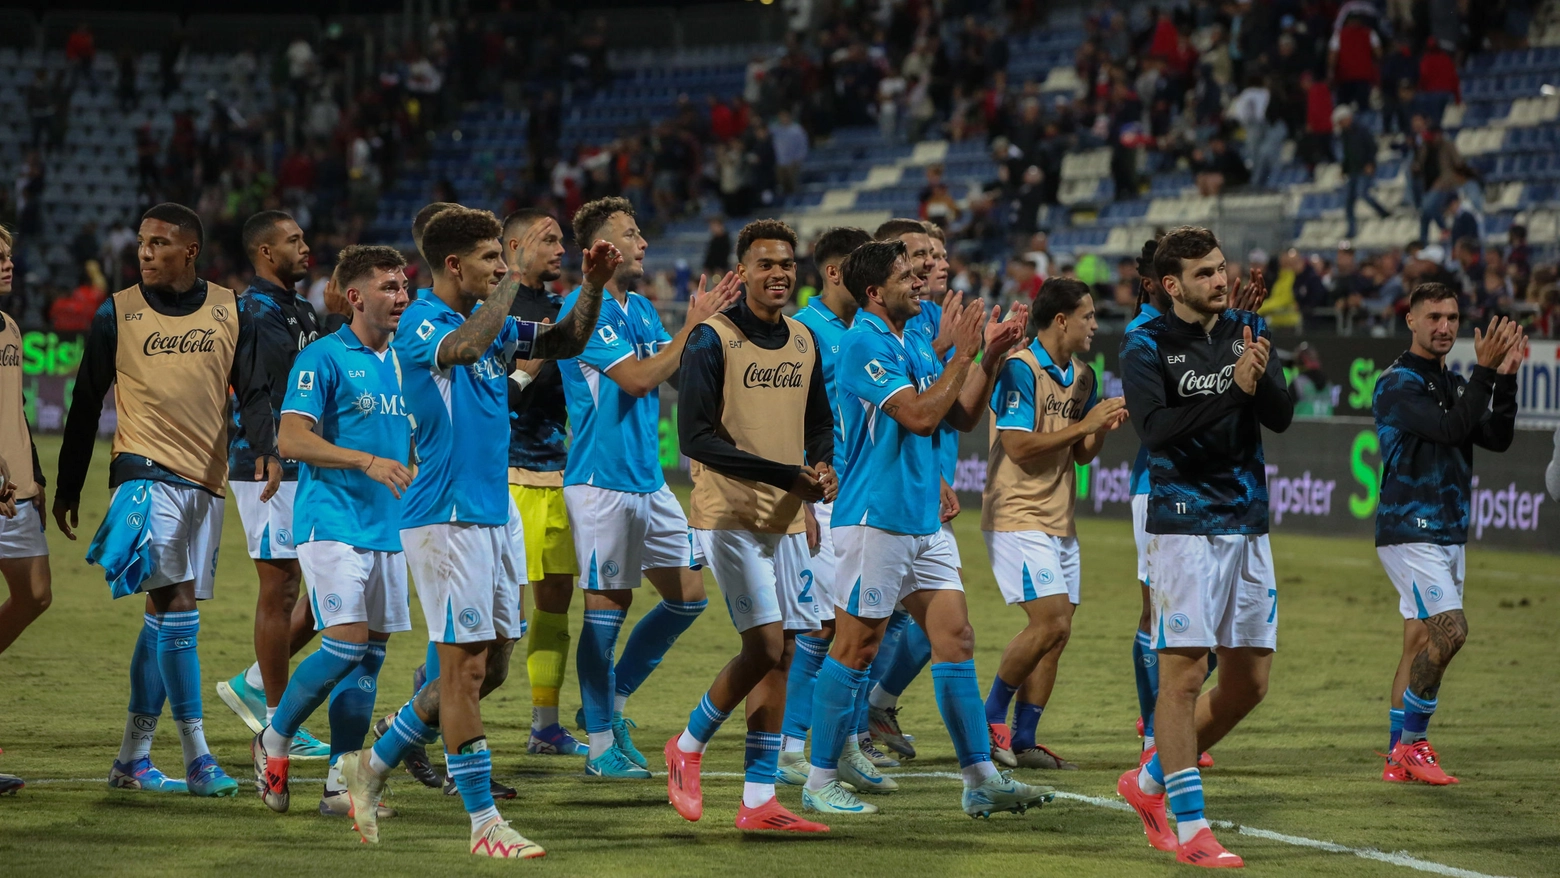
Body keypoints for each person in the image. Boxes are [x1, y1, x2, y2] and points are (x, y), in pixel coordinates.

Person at [340, 206, 614, 859]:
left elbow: (563, 342)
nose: (503, 266)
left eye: (504, 257)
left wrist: (595, 284)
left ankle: (374, 763)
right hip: (445, 518)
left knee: (491, 666)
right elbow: (461, 350)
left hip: (495, 518)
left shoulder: (492, 325)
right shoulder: (423, 324)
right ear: (456, 265)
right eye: (493, 258)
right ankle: (484, 825)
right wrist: (508, 285)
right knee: (462, 674)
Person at [800, 239, 1045, 819]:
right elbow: (918, 415)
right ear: (873, 292)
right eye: (906, 275)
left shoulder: (909, 339)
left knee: (955, 638)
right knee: (856, 646)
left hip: (920, 520)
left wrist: (985, 358)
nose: (918, 283)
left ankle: (979, 777)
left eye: (917, 273)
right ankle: (817, 778)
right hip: (875, 517)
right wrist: (962, 355)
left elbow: (958, 413)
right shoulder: (861, 342)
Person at [55, 203, 282, 797]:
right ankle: (199, 755)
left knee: (161, 619)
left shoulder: (230, 309)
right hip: (142, 472)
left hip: (204, 481)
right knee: (177, 601)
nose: (145, 252)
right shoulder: (117, 313)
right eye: (141, 243)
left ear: (190, 251)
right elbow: (85, 402)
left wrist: (266, 448)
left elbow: (253, 391)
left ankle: (132, 758)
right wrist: (70, 484)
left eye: (158, 243)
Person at [1118, 225, 1294, 867]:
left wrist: (1261, 375)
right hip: (1185, 523)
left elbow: (1280, 415)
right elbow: (1157, 430)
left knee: (1248, 683)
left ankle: (1149, 782)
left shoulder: (1243, 328)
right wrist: (1232, 389)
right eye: (1205, 274)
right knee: (1185, 675)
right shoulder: (1144, 343)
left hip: (1247, 520)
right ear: (1173, 286)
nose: (1220, 280)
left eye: (1222, 269)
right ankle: (1191, 829)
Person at [664, 219, 835, 832]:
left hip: (787, 518)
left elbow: (819, 420)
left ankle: (759, 800)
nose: (780, 274)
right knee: (763, 644)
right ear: (743, 273)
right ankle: (686, 746)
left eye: (787, 263)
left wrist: (818, 469)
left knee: (784, 652)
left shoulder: (803, 340)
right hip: (730, 515)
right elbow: (696, 439)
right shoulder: (712, 339)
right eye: (765, 264)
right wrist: (784, 474)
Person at [557, 197, 736, 779]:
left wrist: (713, 334)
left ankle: (610, 704)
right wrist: (691, 327)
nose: (643, 245)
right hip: (601, 481)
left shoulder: (635, 308)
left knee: (688, 596)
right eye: (631, 235)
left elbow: (676, 369)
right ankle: (601, 744)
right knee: (607, 608)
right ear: (600, 250)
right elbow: (637, 379)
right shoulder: (582, 310)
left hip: (646, 480)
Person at [251, 245, 414, 818]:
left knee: (368, 658)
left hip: (388, 527)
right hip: (332, 521)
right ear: (355, 296)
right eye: (390, 287)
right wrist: (364, 461)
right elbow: (291, 439)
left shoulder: (403, 361)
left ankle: (340, 785)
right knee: (344, 642)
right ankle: (274, 737)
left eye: (404, 285)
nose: (402, 296)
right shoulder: (322, 357)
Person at [1372, 285, 1522, 786]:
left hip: (1448, 529)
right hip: (1410, 526)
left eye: (1453, 317)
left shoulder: (1458, 383)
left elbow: (1494, 438)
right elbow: (1451, 429)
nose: (1445, 326)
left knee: (1419, 639)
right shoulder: (1396, 383)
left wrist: (1505, 381)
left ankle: (1398, 754)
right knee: (1450, 631)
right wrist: (1483, 373)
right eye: (1433, 316)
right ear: (1410, 321)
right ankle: (1414, 743)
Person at [982, 277, 1128, 772]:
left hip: (1059, 520)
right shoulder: (1019, 369)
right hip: (1016, 515)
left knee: (1058, 633)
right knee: (1051, 621)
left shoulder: (1083, 376)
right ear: (1061, 320)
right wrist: (1085, 425)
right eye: (1087, 316)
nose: (1094, 324)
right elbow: (1019, 449)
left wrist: (1099, 429)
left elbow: (1082, 455)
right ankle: (989, 719)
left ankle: (1023, 740)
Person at [215, 210, 328, 760]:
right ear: (265, 253)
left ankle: (257, 683)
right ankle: (276, 722)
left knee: (321, 593)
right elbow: (253, 391)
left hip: (301, 461)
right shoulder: (254, 311)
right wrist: (268, 453)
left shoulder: (300, 307)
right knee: (280, 588)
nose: (305, 248)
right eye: (294, 241)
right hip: (267, 465)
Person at [780, 226, 872, 787]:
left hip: (860, 494)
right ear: (836, 273)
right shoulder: (803, 332)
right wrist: (802, 504)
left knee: (863, 626)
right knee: (820, 628)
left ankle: (847, 743)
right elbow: (788, 419)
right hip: (822, 496)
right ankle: (793, 747)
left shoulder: (860, 330)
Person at [497, 208, 588, 757]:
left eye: (563, 240)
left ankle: (546, 726)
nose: (561, 248)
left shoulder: (565, 309)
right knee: (496, 615)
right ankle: (425, 716)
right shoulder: (491, 309)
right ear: (513, 248)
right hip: (505, 476)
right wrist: (526, 372)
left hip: (558, 473)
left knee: (557, 599)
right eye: (547, 239)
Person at [0, 224, 51, 795]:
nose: (9, 264)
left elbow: (11, 410)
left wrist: (33, 475)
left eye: (10, 254)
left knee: (36, 593)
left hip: (15, 492)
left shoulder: (10, 325)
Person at [1337, 105, 1391, 239]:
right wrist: (1344, 169)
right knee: (1349, 201)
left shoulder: (1362, 130)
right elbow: (1347, 154)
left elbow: (1372, 147)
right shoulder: (1345, 134)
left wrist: (1370, 163)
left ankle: (1383, 211)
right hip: (1353, 170)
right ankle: (1351, 230)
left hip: (1363, 168)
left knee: (1363, 193)